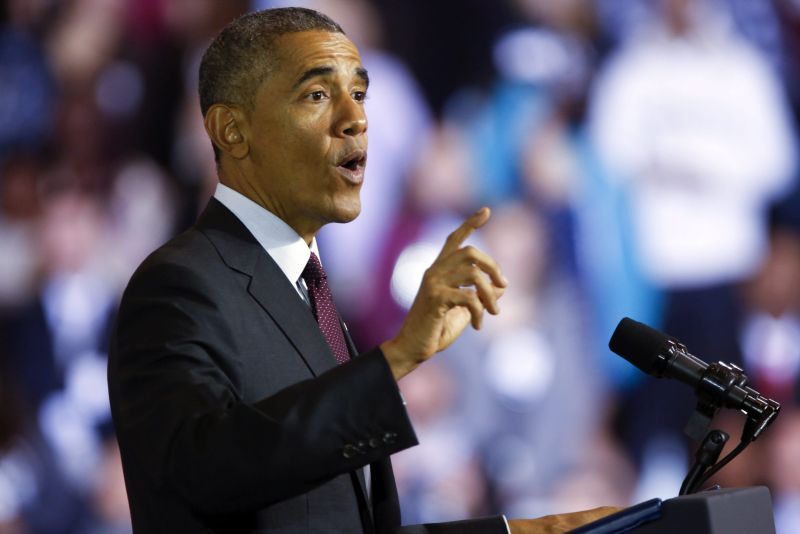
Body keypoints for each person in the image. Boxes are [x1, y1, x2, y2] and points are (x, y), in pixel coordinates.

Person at [107, 7, 616, 533]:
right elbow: (210, 474)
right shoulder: (177, 288)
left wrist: (524, 530)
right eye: (316, 97)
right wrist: (394, 361)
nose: (355, 123)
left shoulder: (312, 289)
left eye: (358, 95)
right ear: (232, 131)